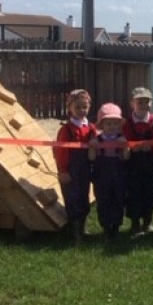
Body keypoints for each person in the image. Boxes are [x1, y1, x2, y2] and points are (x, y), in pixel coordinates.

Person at [53, 89, 97, 244]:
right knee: (72, 199)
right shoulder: (66, 130)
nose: (81, 110)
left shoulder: (91, 128)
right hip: (71, 170)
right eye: (77, 107)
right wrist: (63, 170)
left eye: (84, 107)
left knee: (84, 197)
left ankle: (82, 229)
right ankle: (74, 233)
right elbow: (60, 152)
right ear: (70, 108)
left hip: (85, 169)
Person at [89, 103, 131, 238]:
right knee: (103, 200)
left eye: (115, 123)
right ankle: (106, 227)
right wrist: (92, 147)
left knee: (119, 199)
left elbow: (126, 157)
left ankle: (116, 226)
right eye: (108, 124)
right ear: (102, 125)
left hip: (119, 173)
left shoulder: (121, 138)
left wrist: (125, 147)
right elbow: (91, 158)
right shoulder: (97, 139)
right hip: (102, 173)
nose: (112, 127)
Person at [123, 86, 153, 236]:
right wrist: (133, 147)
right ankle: (135, 224)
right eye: (140, 102)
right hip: (132, 164)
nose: (144, 105)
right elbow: (125, 140)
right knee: (133, 192)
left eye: (147, 101)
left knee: (150, 192)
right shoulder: (126, 123)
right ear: (132, 104)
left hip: (150, 163)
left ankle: (148, 222)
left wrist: (150, 147)